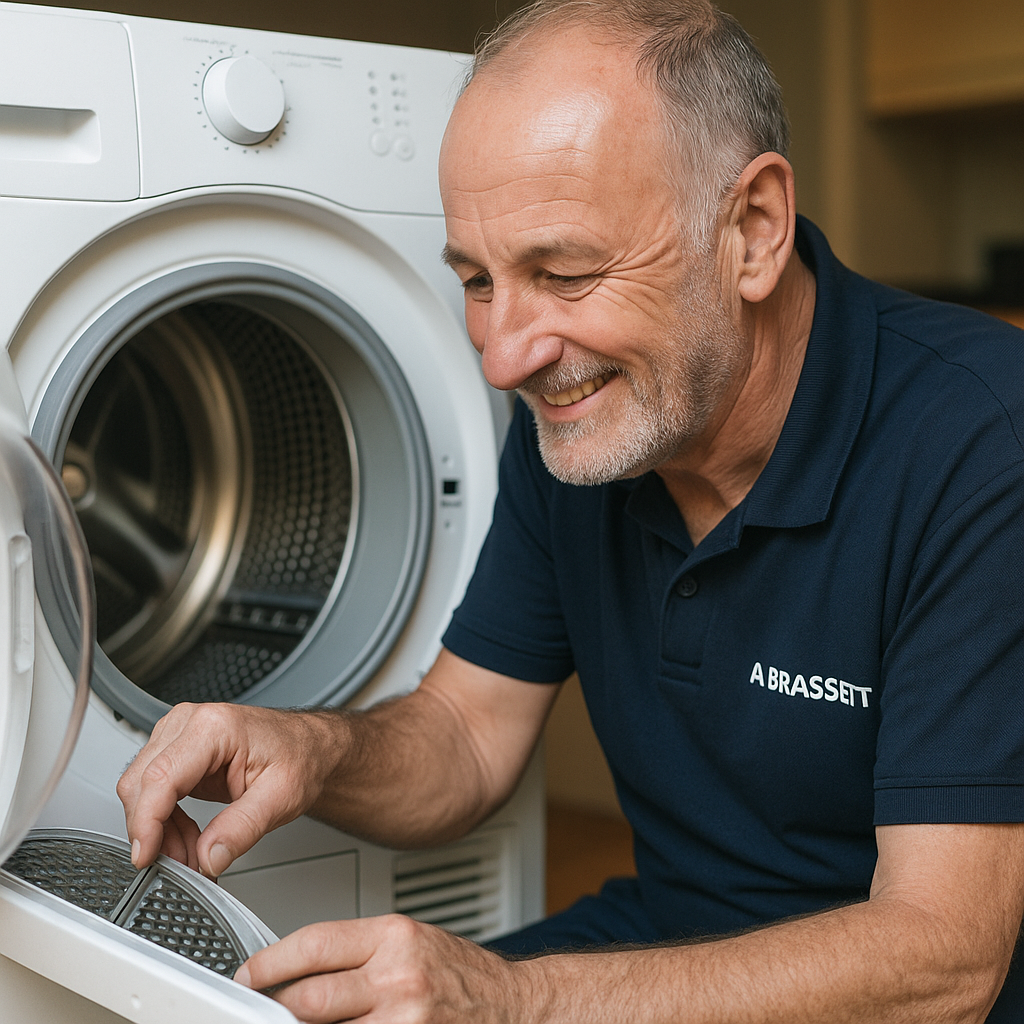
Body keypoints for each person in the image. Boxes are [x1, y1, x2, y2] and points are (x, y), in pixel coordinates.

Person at [116, 1, 1024, 1021]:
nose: (506, 356)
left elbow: (945, 961)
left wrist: (517, 1002)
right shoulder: (587, 421)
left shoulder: (984, 441)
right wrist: (313, 748)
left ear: (752, 232)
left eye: (564, 273)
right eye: (476, 280)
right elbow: (464, 735)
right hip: (664, 947)